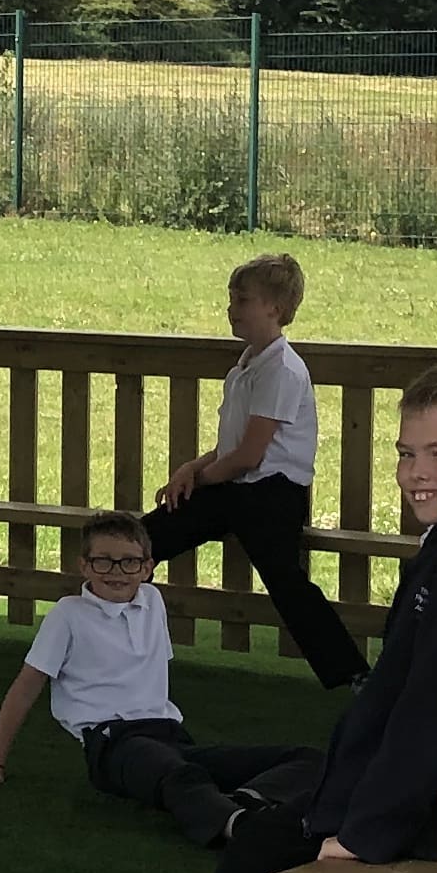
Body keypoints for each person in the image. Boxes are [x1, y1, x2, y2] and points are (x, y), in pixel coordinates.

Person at [84, 363, 437, 873]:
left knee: (268, 847)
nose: (418, 473)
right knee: (277, 826)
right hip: (417, 789)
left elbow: (433, 717)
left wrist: (359, 833)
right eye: (406, 452)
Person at [144, 252, 365, 689]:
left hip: (272, 494)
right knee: (144, 540)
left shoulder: (282, 369)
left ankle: (352, 674)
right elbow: (232, 448)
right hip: (233, 485)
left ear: (275, 310)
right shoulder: (246, 365)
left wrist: (200, 480)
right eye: (231, 298)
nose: (232, 308)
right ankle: (117, 636)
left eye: (242, 300)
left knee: (286, 583)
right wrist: (191, 468)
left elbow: (251, 456)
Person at [0, 514, 238, 841]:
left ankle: (255, 801)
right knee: (176, 773)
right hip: (112, 740)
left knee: (299, 759)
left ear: (147, 568)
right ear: (84, 566)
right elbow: (25, 687)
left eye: (129, 562)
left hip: (170, 734)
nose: (116, 572)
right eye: (103, 562)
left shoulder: (153, 601)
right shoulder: (68, 614)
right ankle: (238, 826)